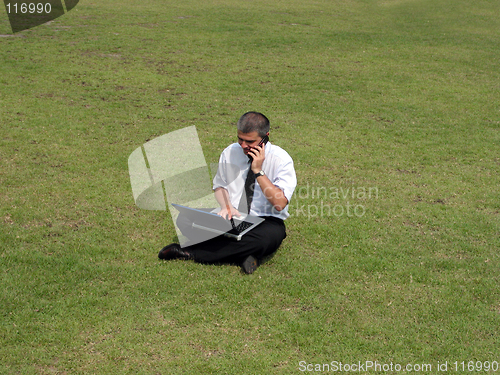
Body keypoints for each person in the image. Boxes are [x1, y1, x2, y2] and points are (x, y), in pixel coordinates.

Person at [159, 112, 297, 274]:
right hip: (233, 216)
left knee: (263, 240)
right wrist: (226, 206)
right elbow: (220, 186)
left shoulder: (281, 160)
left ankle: (192, 252)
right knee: (185, 219)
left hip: (266, 221)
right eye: (240, 139)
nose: (244, 145)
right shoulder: (230, 152)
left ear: (265, 137)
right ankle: (245, 255)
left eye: (250, 141)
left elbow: (279, 203)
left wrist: (258, 171)